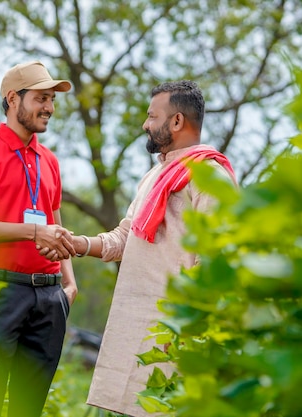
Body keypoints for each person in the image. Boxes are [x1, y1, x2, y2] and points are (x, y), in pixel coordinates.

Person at [43, 80, 237, 417]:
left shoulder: (211, 177)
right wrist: (78, 244)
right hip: (136, 326)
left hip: (175, 332)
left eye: (152, 116)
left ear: (176, 121)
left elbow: (216, 263)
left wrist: (187, 330)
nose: (146, 125)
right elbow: (126, 236)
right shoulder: (155, 177)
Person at [0, 60, 78, 417]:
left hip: (51, 298)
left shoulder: (50, 161)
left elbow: (56, 224)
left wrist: (69, 284)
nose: (50, 108)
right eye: (41, 98)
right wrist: (33, 231)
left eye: (52, 100)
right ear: (12, 99)